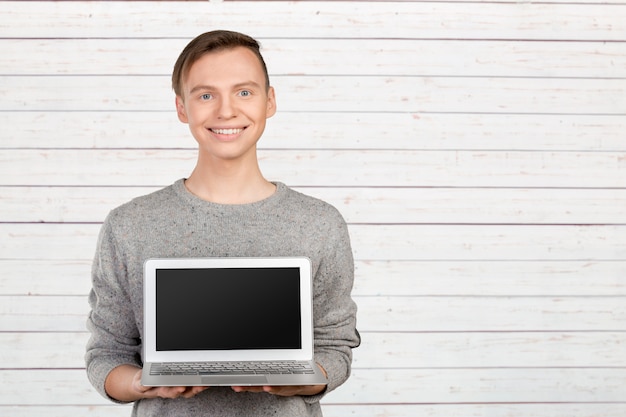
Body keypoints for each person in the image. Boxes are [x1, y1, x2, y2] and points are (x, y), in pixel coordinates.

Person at [85, 30, 361, 416]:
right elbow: (106, 355)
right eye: (205, 95)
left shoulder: (319, 223)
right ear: (182, 108)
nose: (226, 111)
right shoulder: (130, 225)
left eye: (244, 92)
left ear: (270, 101)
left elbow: (335, 348)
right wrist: (140, 382)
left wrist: (306, 378)